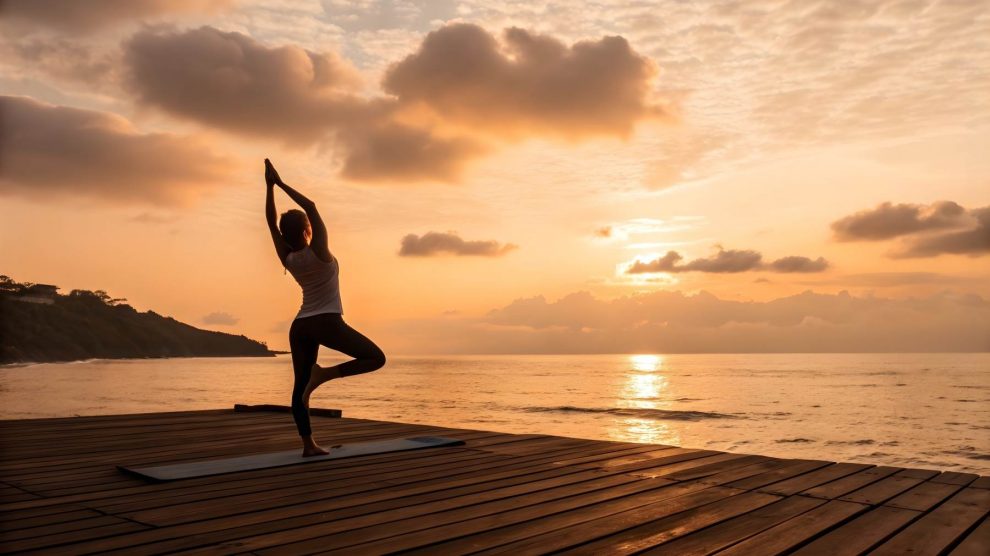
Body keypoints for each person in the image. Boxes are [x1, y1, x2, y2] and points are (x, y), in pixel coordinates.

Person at [264, 158, 386, 456]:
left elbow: (270, 221)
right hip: (327, 322)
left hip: (301, 326)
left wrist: (269, 188)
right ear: (308, 230)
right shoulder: (319, 251)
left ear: (285, 234)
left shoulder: (287, 257)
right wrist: (280, 183)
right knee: (375, 358)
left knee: (299, 387)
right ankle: (326, 375)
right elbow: (312, 206)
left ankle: (308, 445)